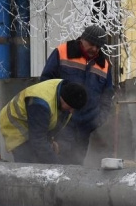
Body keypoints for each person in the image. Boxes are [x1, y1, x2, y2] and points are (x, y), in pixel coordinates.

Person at [40, 25, 114, 165]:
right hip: (60, 124)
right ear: (82, 39)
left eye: (98, 47)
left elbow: (107, 96)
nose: (95, 49)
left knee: (77, 165)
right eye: (92, 44)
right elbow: (46, 82)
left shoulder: (104, 65)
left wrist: (98, 119)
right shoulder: (62, 52)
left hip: (85, 127)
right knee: (56, 164)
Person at [0, 79, 87, 164]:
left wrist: (55, 144)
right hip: (16, 125)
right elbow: (38, 141)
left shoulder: (65, 91)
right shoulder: (40, 105)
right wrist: (57, 166)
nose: (72, 111)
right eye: (70, 107)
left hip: (35, 120)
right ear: (63, 99)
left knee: (43, 155)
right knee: (28, 164)